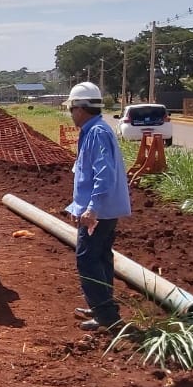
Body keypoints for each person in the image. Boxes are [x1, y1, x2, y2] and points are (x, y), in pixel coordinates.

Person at [64, 82, 131, 333]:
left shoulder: (97, 133)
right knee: (101, 258)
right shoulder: (94, 130)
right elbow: (86, 174)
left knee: (88, 260)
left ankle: (106, 317)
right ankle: (101, 306)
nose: (71, 115)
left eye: (71, 109)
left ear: (81, 109)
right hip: (100, 209)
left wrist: (92, 209)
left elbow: (103, 174)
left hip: (99, 212)